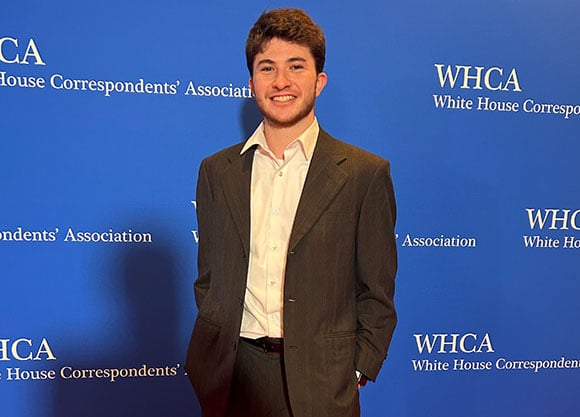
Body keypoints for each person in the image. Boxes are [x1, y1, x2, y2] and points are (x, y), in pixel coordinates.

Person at [185, 8, 397, 417]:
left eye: (295, 66)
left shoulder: (364, 174)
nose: (280, 81)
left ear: (319, 81)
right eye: (267, 68)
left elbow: (377, 290)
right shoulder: (216, 171)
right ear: (252, 83)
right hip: (231, 376)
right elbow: (209, 277)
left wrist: (354, 370)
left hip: (323, 381)